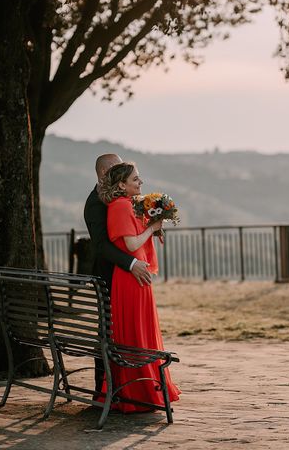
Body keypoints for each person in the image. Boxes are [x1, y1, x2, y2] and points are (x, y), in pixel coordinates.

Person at [98, 162, 181, 412]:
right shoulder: (120, 206)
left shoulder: (128, 205)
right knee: (136, 333)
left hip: (136, 277)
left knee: (142, 332)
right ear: (121, 184)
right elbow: (132, 244)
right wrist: (151, 228)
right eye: (135, 179)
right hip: (129, 279)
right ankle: (140, 391)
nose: (140, 182)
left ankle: (144, 388)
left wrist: (152, 227)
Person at [84, 154, 153, 394]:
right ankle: (103, 388)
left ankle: (123, 387)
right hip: (109, 276)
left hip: (124, 276)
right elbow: (101, 245)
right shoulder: (95, 203)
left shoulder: (119, 198)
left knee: (124, 333)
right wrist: (131, 263)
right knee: (108, 333)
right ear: (106, 173)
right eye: (119, 167)